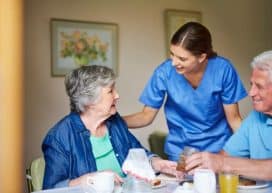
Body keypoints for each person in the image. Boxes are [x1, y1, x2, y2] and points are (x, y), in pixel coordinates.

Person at [123, 22, 247, 161]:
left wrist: (252, 154)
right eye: (172, 54)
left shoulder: (223, 70)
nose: (174, 62)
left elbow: (234, 120)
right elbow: (146, 116)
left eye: (182, 58)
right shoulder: (164, 73)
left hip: (219, 151)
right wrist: (112, 121)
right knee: (183, 183)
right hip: (181, 152)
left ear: (201, 57)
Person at [42, 65, 178, 189]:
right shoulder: (59, 137)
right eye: (110, 91)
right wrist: (90, 179)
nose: (117, 95)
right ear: (90, 101)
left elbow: (138, 154)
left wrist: (156, 162)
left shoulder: (114, 122)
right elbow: (52, 188)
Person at [185, 50, 272, 180]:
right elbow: (225, 156)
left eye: (259, 86)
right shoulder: (255, 118)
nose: (251, 93)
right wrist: (203, 164)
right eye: (251, 84)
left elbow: (223, 162)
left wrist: (222, 163)